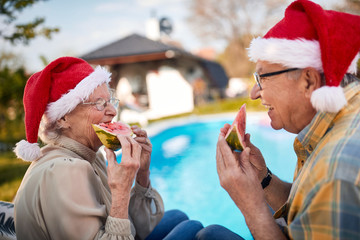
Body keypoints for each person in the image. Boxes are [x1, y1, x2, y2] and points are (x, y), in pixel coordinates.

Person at [13, 56, 204, 240]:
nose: (113, 111)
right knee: (194, 229)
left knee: (178, 216)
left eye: (109, 101)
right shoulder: (65, 170)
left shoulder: (90, 156)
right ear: (63, 117)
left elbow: (137, 228)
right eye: (98, 104)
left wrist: (142, 174)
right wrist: (120, 192)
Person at [216, 0, 360, 239]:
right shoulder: (336, 121)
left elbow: (327, 186)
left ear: (308, 81)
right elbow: (310, 208)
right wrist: (263, 179)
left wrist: (251, 206)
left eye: (262, 77)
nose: (253, 93)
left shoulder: (336, 172)